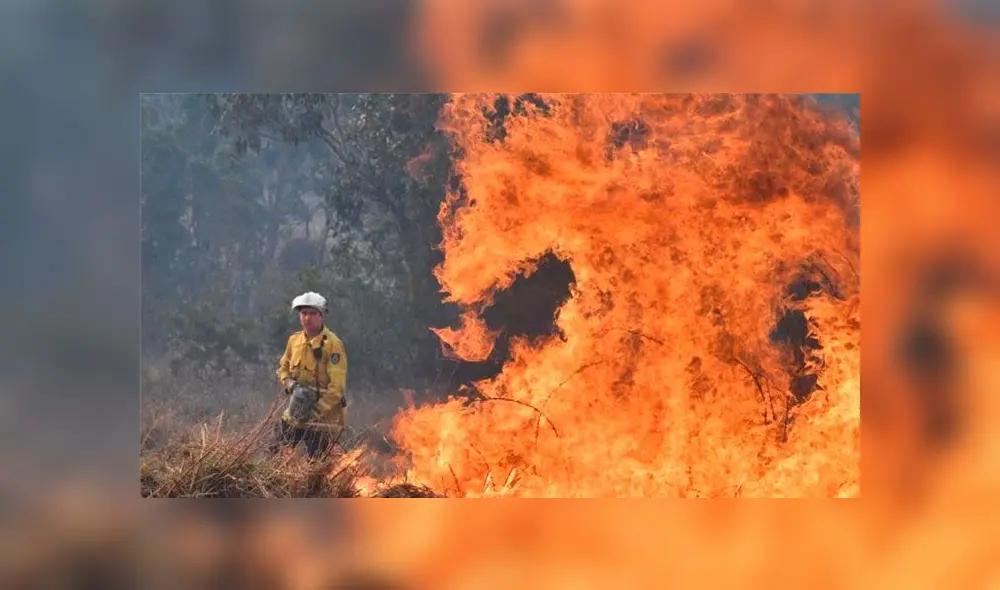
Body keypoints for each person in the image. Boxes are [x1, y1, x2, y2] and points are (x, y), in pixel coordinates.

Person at [269, 291, 349, 459]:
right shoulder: (294, 341)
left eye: (313, 313)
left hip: (322, 420)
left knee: (317, 465)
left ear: (321, 316)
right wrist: (290, 384)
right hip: (295, 413)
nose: (307, 318)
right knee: (274, 454)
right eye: (304, 313)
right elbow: (282, 369)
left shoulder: (333, 345)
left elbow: (337, 388)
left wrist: (314, 412)